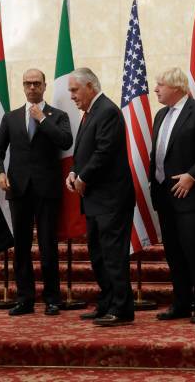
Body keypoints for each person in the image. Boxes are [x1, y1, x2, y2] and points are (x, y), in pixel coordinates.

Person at [0, 69, 72, 316]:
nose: (32, 88)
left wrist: (42, 120)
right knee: (22, 247)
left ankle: (52, 299)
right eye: (27, 83)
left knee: (48, 245)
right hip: (18, 189)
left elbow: (65, 142)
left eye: (36, 83)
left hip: (47, 190)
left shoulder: (57, 115)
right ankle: (24, 298)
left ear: (45, 86)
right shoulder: (11, 117)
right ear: (23, 86)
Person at [150, 67, 195, 324]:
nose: (155, 89)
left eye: (160, 84)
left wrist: (192, 176)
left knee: (194, 252)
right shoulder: (160, 115)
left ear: (177, 87)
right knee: (174, 254)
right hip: (164, 196)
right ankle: (180, 302)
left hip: (189, 196)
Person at [66, 67, 135, 326]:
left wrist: (82, 178)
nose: (71, 95)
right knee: (98, 256)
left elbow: (104, 153)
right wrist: (73, 172)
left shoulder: (107, 111)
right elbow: (83, 152)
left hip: (111, 200)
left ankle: (122, 308)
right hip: (95, 200)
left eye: (75, 90)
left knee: (113, 256)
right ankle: (106, 303)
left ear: (90, 86)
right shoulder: (89, 113)